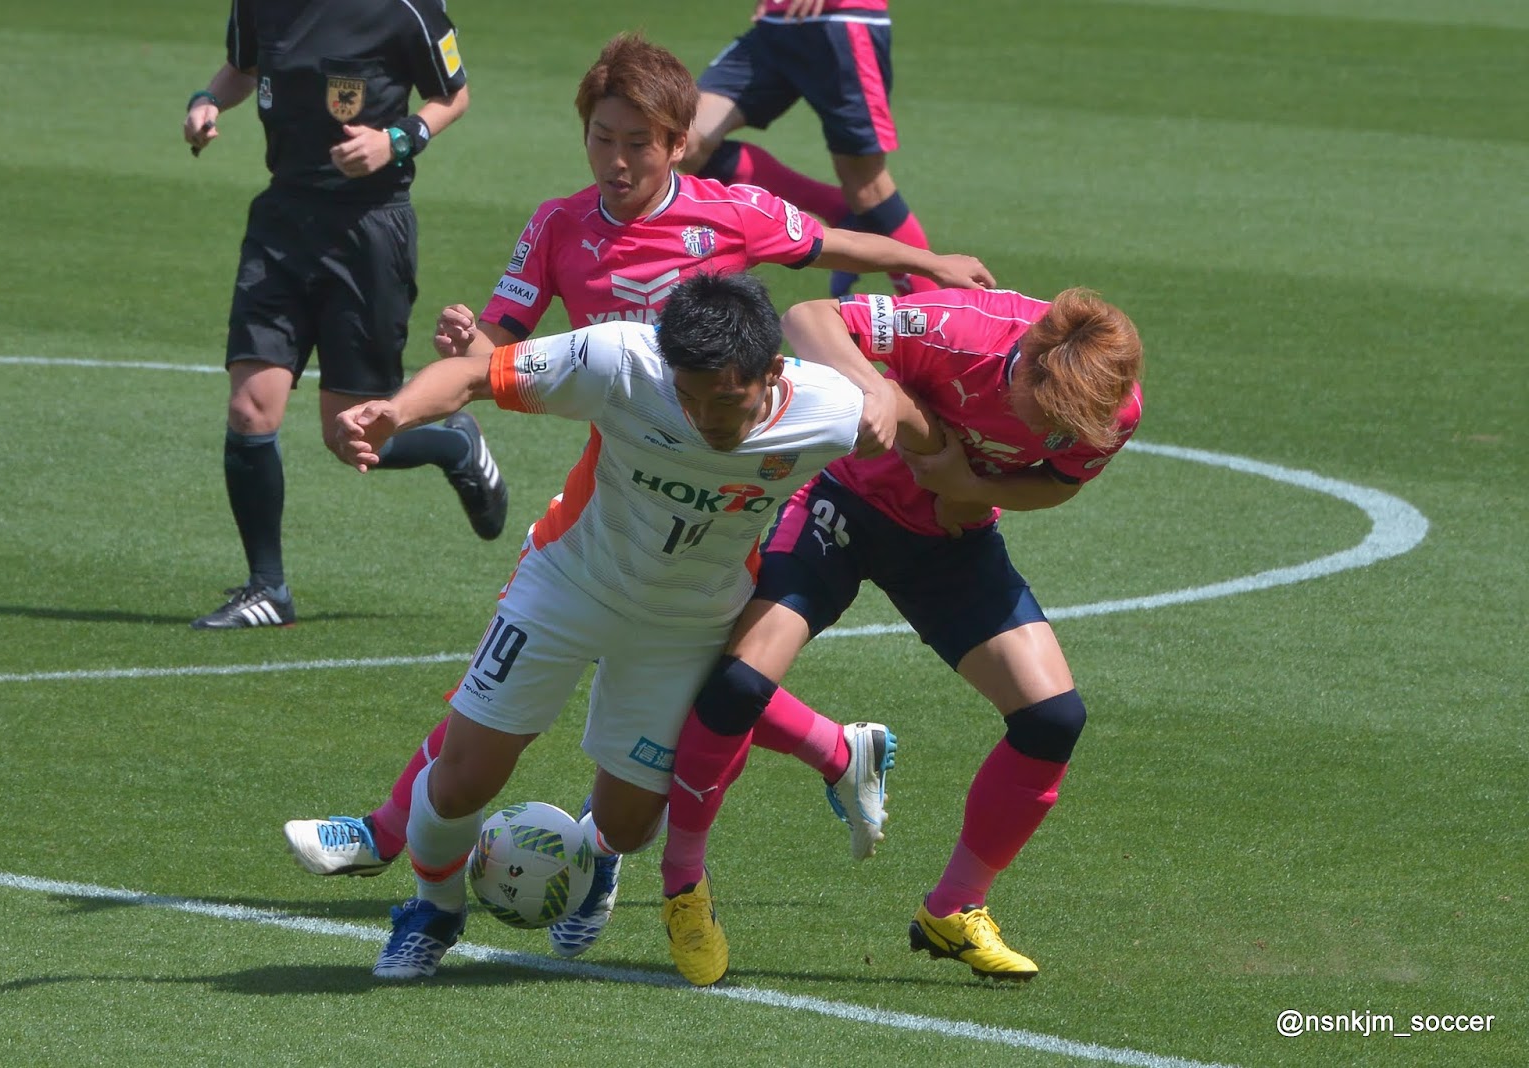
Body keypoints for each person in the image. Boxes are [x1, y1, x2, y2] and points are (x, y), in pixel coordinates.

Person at [282, 31, 993, 958]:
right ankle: (413, 871)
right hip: (617, 462)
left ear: (678, 143)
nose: (616, 162)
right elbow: (493, 348)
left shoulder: (731, 219)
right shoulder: (566, 239)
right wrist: (450, 362)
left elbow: (828, 243)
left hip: (723, 486)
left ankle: (643, 834)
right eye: (601, 139)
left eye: (637, 144)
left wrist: (927, 267)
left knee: (664, 729)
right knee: (481, 748)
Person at [333, 271, 941, 979]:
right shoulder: (618, 360)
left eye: (726, 400)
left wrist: (887, 406)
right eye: (688, 396)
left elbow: (921, 428)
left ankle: (595, 866)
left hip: (686, 623)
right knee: (462, 779)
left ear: (773, 372)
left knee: (626, 827)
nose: (705, 418)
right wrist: (396, 412)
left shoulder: (828, 408)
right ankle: (433, 910)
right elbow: (473, 376)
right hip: (566, 586)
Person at [657, 286, 1144, 986]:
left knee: (1052, 720)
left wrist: (971, 487)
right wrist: (874, 390)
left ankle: (954, 908)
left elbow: (1059, 484)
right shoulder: (960, 330)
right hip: (842, 507)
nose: (1053, 431)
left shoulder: (1108, 406)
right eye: (1046, 416)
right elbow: (808, 317)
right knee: (737, 684)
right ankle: (683, 887)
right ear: (1028, 364)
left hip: (949, 537)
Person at [183, 0, 508, 630]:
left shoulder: (405, 9)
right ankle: (268, 589)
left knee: (350, 435)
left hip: (368, 234)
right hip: (281, 224)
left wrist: (396, 140)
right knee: (250, 408)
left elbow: (453, 96)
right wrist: (208, 101)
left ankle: (455, 445)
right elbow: (242, 69)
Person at [680, 0, 936, 299]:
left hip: (841, 22)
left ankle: (936, 309)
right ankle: (839, 210)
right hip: (776, 26)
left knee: (867, 188)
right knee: (684, 140)